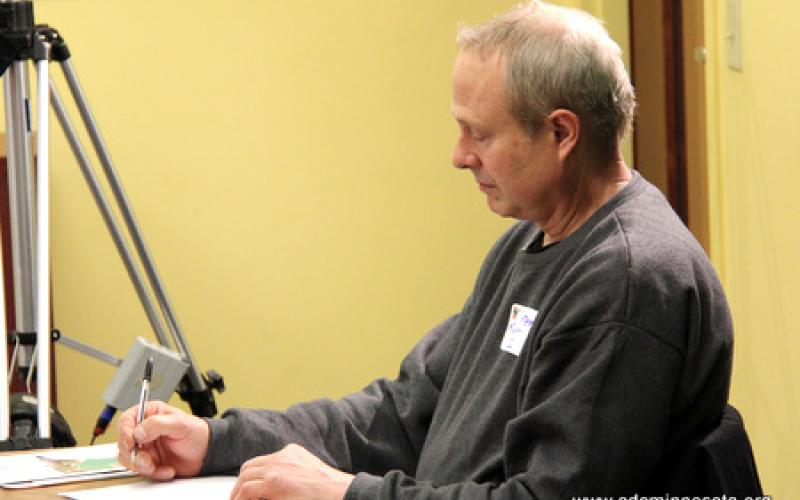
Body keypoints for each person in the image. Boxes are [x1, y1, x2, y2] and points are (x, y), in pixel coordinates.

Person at [117, 2, 733, 499]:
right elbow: (404, 413)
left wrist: (344, 494)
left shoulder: (625, 281)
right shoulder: (530, 242)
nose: (459, 155)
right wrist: (218, 439)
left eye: (480, 133)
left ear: (561, 132)